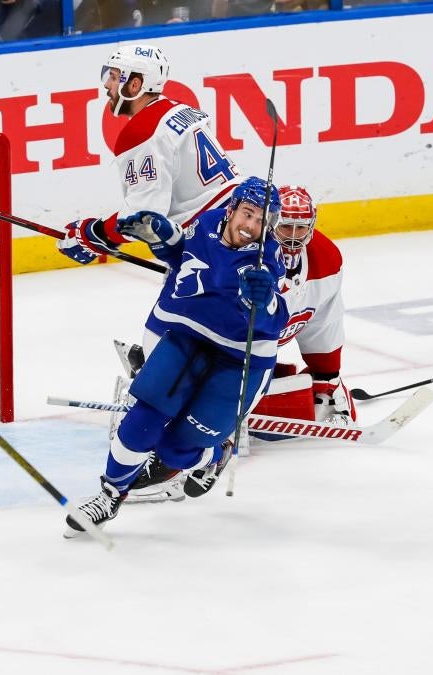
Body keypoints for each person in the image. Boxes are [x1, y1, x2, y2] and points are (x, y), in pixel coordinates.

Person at [64, 177, 288, 537]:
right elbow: (182, 255)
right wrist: (162, 239)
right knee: (141, 422)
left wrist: (264, 299)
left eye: (263, 221)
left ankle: (215, 456)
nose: (252, 226)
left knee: (173, 450)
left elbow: (275, 319)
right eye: (248, 214)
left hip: (239, 362)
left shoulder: (267, 261)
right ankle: (109, 497)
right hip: (187, 341)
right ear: (232, 210)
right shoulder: (209, 222)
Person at [56, 43, 240, 266]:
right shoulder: (181, 109)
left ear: (134, 85)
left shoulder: (142, 132)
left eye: (114, 77)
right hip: (242, 215)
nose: (107, 84)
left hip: (212, 236)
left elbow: (144, 216)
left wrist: (92, 233)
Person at [251, 184, 354, 428]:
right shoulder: (246, 255)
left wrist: (327, 376)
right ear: (271, 223)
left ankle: (327, 386)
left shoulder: (326, 259)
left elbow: (324, 324)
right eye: (286, 226)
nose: (294, 235)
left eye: (301, 228)